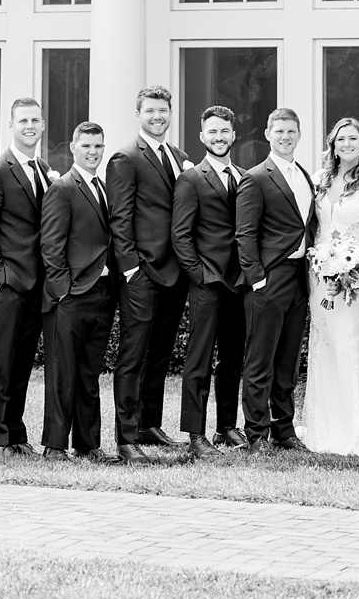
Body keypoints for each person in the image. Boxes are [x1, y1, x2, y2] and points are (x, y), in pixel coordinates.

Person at [109, 85, 191, 456]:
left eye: (163, 111)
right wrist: (130, 270)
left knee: (159, 353)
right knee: (133, 356)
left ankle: (148, 425)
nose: (157, 116)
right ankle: (126, 437)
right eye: (150, 111)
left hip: (175, 274)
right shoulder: (126, 158)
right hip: (141, 273)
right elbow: (120, 219)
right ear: (138, 114)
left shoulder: (179, 156)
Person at [301, 116, 359, 457]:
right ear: (333, 146)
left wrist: (353, 273)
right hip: (318, 276)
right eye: (340, 140)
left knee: (348, 341)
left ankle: (355, 431)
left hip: (355, 280)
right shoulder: (320, 182)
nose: (346, 145)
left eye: (353, 139)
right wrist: (323, 267)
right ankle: (324, 427)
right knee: (323, 344)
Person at [235, 108, 317, 452]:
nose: (285, 136)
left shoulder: (304, 175)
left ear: (299, 135)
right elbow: (245, 234)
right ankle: (256, 433)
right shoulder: (256, 177)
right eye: (279, 130)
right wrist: (257, 280)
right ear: (268, 133)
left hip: (299, 279)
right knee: (260, 360)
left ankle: (284, 430)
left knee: (287, 361)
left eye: (291, 131)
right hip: (269, 280)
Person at [0, 96, 50, 455]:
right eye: (23, 121)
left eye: (35, 120)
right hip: (7, 284)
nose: (30, 126)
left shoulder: (43, 168)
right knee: (0, 363)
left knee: (21, 364)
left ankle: (16, 434)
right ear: (11, 126)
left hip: (37, 284)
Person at [171, 104, 248, 455]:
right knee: (199, 359)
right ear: (202, 137)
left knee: (232, 359)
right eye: (212, 132)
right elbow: (180, 235)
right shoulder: (191, 179)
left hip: (239, 282)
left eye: (224, 131)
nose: (219, 137)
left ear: (234, 134)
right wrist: (200, 275)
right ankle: (195, 434)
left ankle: (226, 427)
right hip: (207, 282)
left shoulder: (245, 177)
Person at [40, 121, 119, 461]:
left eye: (98, 146)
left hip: (102, 292)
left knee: (89, 374)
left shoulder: (103, 187)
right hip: (70, 297)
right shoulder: (62, 188)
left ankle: (88, 445)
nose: (93, 152)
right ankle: (54, 446)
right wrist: (64, 292)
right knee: (62, 375)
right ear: (73, 147)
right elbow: (51, 246)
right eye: (86, 145)